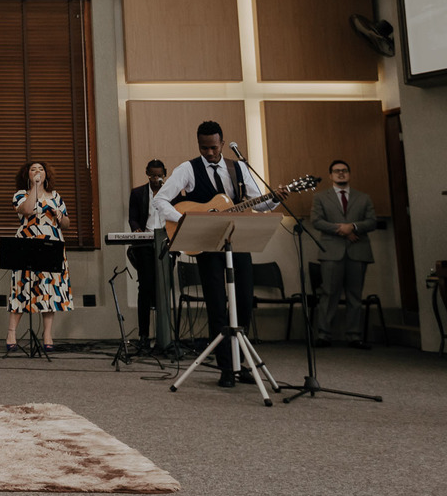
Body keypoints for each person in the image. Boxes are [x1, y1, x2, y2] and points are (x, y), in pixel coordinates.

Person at [149, 122, 283, 388]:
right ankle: (226, 367)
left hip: (237, 240)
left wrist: (277, 197)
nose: (209, 153)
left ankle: (240, 363)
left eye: (213, 147)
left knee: (244, 300)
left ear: (222, 143)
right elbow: (160, 200)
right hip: (206, 244)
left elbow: (260, 204)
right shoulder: (187, 169)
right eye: (204, 148)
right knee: (216, 304)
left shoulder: (239, 168)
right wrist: (185, 220)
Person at [309, 160, 378, 349]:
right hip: (332, 252)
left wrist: (353, 226)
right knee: (329, 293)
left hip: (358, 251)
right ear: (330, 175)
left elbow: (372, 221)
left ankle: (354, 336)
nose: (341, 173)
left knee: (355, 295)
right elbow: (316, 221)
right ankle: (323, 335)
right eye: (336, 171)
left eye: (344, 170)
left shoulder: (363, 198)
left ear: (349, 174)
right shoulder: (320, 197)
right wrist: (342, 229)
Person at [7, 161, 71, 353]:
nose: (37, 171)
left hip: (52, 243)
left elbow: (67, 224)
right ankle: (11, 333)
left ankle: (47, 334)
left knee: (49, 289)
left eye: (41, 169)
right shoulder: (20, 195)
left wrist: (60, 216)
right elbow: (27, 210)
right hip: (27, 242)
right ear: (27, 174)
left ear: (46, 174)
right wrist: (35, 187)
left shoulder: (56, 196)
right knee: (22, 287)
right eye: (33, 169)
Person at [127, 160, 167, 347]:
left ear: (164, 174)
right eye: (152, 175)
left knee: (163, 288)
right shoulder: (137, 193)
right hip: (145, 243)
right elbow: (133, 218)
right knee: (145, 287)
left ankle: (165, 335)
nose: (155, 179)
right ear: (147, 173)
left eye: (159, 175)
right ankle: (144, 335)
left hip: (165, 243)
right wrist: (136, 229)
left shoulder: (171, 192)